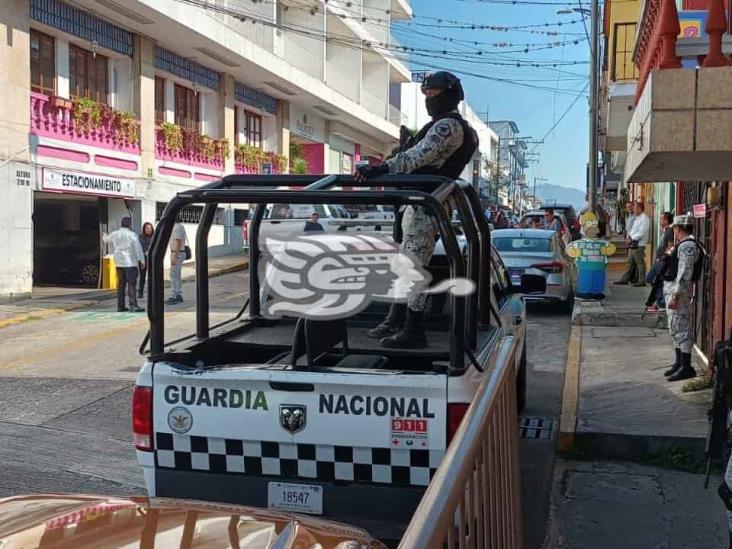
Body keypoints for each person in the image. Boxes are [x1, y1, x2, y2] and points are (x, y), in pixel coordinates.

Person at [354, 71, 479, 348]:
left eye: (433, 94)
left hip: (426, 204)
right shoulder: (445, 125)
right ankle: (397, 319)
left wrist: (383, 168)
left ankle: (413, 329)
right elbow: (412, 154)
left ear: (449, 94)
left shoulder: (449, 127)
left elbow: (417, 157)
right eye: (426, 94)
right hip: (417, 202)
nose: (428, 99)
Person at [662, 214, 702, 382]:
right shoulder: (684, 245)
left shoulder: (688, 246)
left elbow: (685, 272)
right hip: (674, 289)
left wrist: (676, 294)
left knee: (681, 327)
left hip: (680, 292)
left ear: (678, 229)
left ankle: (686, 366)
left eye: (676, 229)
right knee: (675, 327)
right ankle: (679, 362)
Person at [103, 217, 145, 313]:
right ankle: (133, 305)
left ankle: (120, 306)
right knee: (131, 284)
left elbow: (105, 240)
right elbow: (138, 248)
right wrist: (142, 260)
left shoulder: (115, 234)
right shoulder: (132, 235)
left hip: (119, 263)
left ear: (121, 224)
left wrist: (104, 234)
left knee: (121, 285)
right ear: (130, 225)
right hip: (130, 263)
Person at [615, 201, 650, 286]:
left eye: (635, 208)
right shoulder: (638, 218)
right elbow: (633, 230)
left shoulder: (644, 218)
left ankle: (641, 281)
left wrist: (631, 238)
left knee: (640, 263)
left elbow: (641, 232)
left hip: (638, 244)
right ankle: (625, 279)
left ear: (639, 208)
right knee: (630, 262)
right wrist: (629, 237)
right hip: (633, 243)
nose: (634, 210)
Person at [645, 212, 674, 311]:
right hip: (659, 260)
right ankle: (659, 302)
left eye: (661, 218)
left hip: (662, 261)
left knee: (653, 279)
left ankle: (660, 303)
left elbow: (670, 246)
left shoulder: (669, 231)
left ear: (666, 221)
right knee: (655, 281)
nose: (660, 220)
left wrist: (663, 257)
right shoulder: (665, 231)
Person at [167, 218, 188, 305]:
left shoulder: (177, 228)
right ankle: (178, 294)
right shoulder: (180, 227)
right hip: (179, 253)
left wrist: (175, 255)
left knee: (173, 274)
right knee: (177, 274)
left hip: (177, 253)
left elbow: (178, 242)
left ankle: (174, 295)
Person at [138, 222, 154, 299]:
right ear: (144, 229)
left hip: (152, 259)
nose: (149, 230)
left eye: (150, 228)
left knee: (152, 276)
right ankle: (140, 292)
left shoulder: (154, 237)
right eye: (147, 228)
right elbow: (140, 248)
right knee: (142, 276)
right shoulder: (141, 237)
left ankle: (152, 292)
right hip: (143, 259)